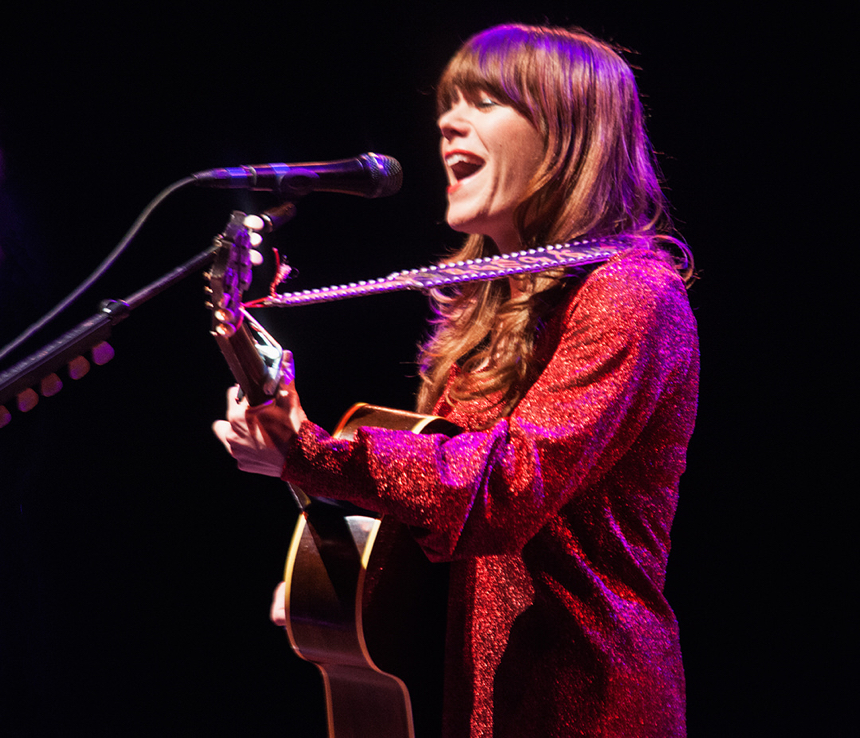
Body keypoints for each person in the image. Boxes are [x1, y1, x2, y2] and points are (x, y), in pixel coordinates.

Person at [213, 23, 698, 738]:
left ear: (566, 134)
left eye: (484, 100)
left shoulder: (631, 294)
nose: (446, 121)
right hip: (475, 703)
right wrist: (344, 584)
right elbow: (431, 509)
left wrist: (312, 451)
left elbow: (505, 487)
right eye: (447, 102)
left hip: (590, 706)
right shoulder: (486, 306)